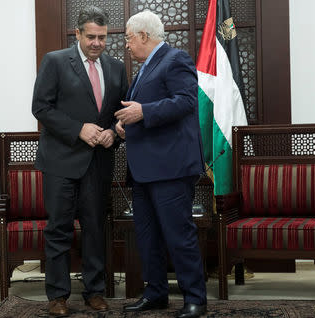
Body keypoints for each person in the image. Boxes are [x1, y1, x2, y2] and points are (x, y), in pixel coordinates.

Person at [31, 6, 128, 316]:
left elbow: (120, 113)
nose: (97, 43)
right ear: (78, 34)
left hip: (98, 163)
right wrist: (78, 129)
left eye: (102, 37)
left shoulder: (115, 68)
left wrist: (115, 132)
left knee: (95, 228)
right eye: (91, 37)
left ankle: (95, 291)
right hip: (60, 161)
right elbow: (41, 108)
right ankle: (57, 295)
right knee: (59, 228)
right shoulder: (55, 61)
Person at [115, 10, 207, 318]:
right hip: (143, 170)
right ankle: (155, 293)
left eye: (128, 38)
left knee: (179, 235)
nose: (126, 45)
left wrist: (143, 112)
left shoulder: (175, 59)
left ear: (143, 36)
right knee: (147, 237)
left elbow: (186, 101)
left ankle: (195, 298)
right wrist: (127, 125)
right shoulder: (145, 68)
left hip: (171, 168)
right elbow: (143, 110)